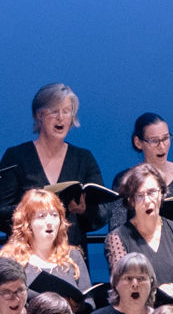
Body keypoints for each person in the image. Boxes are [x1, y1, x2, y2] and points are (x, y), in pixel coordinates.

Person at [0, 83, 100, 222]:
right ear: (39, 115)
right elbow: (1, 211)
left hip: (69, 243)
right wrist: (35, 209)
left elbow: (102, 213)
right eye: (54, 111)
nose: (60, 117)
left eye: (66, 111)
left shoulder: (84, 158)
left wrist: (84, 210)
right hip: (27, 242)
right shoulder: (15, 157)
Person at [106, 163, 173, 291]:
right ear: (130, 201)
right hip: (139, 309)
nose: (147, 200)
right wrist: (159, 292)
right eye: (139, 196)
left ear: (162, 194)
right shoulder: (117, 238)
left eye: (152, 192)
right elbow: (123, 287)